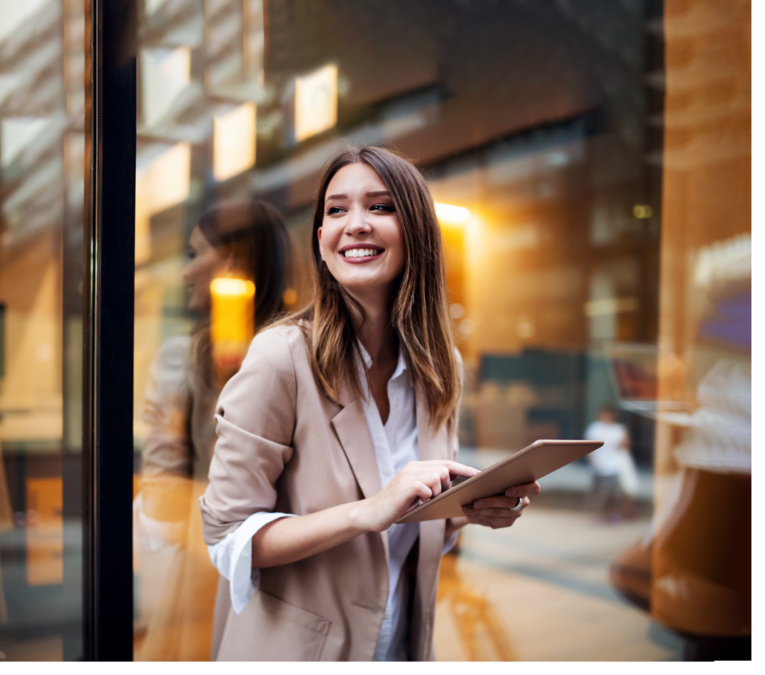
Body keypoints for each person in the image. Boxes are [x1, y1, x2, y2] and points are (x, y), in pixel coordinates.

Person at [198, 145, 541, 661]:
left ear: (417, 234)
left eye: (380, 207)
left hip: (398, 646)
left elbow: (407, 525)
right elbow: (226, 538)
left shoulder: (438, 366)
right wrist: (368, 512)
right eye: (337, 210)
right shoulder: (281, 358)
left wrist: (467, 511)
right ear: (321, 240)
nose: (354, 224)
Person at [135, 200, 292, 661]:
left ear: (233, 260)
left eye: (193, 253)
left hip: (214, 569)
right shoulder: (309, 353)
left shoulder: (182, 359)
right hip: (302, 566)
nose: (186, 272)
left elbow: (164, 497)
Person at [585, 406, 636, 523]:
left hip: (614, 466)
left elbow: (625, 446)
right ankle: (601, 515)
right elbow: (588, 449)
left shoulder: (618, 429)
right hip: (598, 467)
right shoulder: (594, 429)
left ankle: (612, 515)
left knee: (613, 494)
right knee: (600, 495)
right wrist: (594, 463)